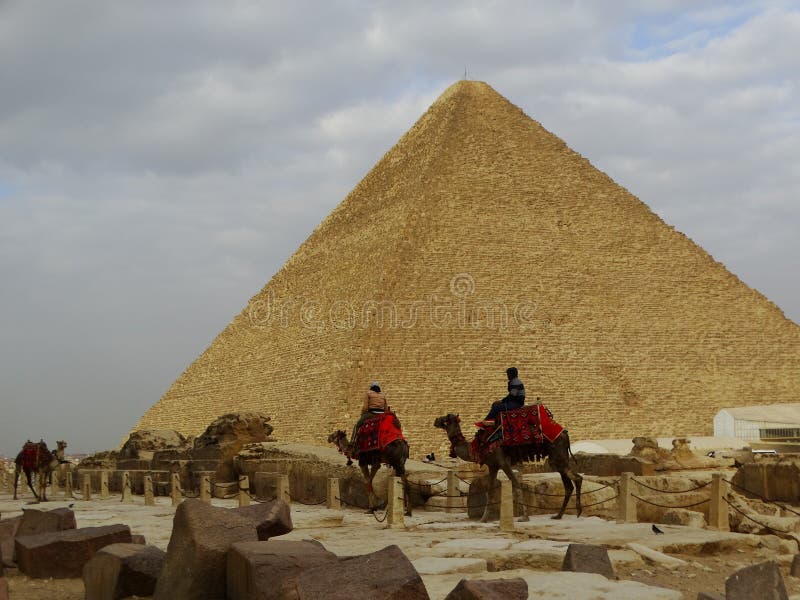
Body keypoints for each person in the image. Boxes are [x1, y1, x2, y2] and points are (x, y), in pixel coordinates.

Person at [351, 381, 388, 453]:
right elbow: (386, 408)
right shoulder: (383, 395)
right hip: (381, 414)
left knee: (357, 425)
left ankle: (352, 443)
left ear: (371, 387)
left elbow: (365, 407)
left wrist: (362, 414)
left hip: (371, 413)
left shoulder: (369, 393)